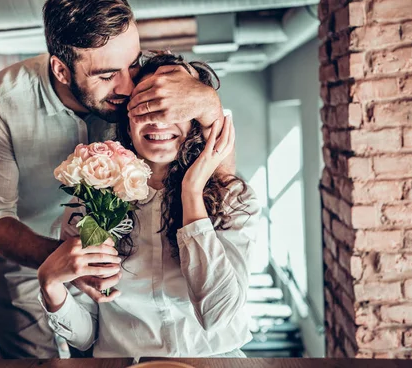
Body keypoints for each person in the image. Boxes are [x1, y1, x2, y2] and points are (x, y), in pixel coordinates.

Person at [0, 0, 228, 358]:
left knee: (91, 356)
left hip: (110, 256)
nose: (128, 86)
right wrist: (65, 261)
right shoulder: (2, 99)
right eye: (107, 75)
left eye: (133, 64)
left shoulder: (137, 78)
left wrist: (209, 101)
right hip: (22, 256)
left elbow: (208, 152)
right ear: (61, 68)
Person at [37, 53, 260, 359]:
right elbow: (86, 334)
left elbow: (218, 314)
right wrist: (50, 284)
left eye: (175, 106)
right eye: (144, 105)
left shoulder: (232, 199)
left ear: (195, 120)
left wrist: (191, 192)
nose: (157, 119)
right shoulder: (90, 200)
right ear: (127, 124)